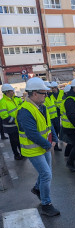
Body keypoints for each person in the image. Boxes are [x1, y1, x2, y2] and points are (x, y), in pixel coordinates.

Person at [16, 77, 60, 216]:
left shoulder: (42, 107)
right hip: (33, 149)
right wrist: (48, 144)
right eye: (44, 93)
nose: (46, 96)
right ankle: (46, 204)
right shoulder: (25, 110)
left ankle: (37, 188)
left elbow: (49, 124)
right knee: (46, 174)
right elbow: (31, 133)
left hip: (43, 147)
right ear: (34, 93)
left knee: (46, 173)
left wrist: (55, 138)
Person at [0, 84, 24, 160]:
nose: (13, 92)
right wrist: (14, 120)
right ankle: (16, 155)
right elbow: (3, 115)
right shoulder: (3, 102)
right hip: (10, 126)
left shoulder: (15, 99)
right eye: (11, 91)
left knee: (20, 140)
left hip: (17, 124)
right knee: (14, 141)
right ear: (7, 92)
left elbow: (21, 108)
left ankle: (22, 153)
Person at [44, 82, 61, 151]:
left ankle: (56, 146)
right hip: (49, 118)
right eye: (49, 88)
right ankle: (51, 146)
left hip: (55, 117)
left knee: (57, 131)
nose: (50, 90)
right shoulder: (44, 97)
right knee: (51, 133)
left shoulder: (51, 96)